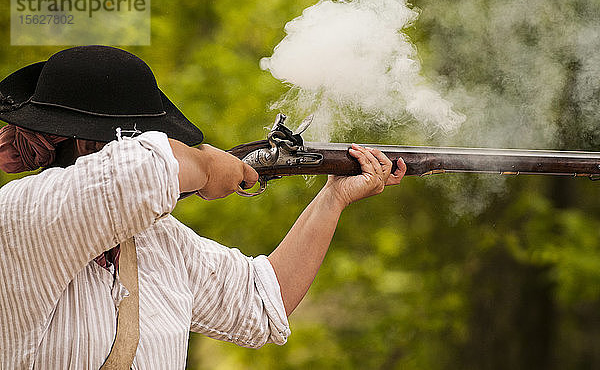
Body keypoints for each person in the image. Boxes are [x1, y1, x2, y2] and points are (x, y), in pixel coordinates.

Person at [0, 46, 406, 369]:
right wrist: (209, 164)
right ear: (89, 146)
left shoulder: (158, 240)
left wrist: (333, 197)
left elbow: (264, 303)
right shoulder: (23, 212)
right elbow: (143, 170)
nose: (159, 145)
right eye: (148, 136)